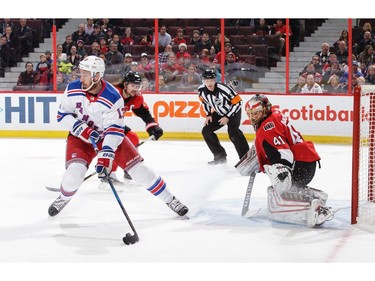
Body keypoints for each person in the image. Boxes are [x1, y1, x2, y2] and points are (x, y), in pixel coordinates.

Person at [48, 56, 188, 217]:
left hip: (108, 135)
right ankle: (63, 198)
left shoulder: (113, 96)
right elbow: (62, 115)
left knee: (141, 171)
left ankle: (171, 199)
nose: (81, 78)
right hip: (80, 138)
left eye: (85, 74)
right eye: (81, 73)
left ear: (97, 76)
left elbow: (114, 129)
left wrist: (106, 155)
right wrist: (83, 130)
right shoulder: (73, 88)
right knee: (74, 174)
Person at [241, 94, 334, 227]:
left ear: (265, 109)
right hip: (306, 161)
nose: (252, 117)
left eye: (256, 113)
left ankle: (314, 211)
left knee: (279, 182)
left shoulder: (267, 127)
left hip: (300, 165)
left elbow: (284, 155)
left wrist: (280, 174)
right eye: (250, 114)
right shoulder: (274, 115)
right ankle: (316, 197)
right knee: (281, 184)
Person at [198, 69, 249, 165]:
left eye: (212, 80)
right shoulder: (201, 90)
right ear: (203, 81)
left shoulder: (224, 89)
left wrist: (227, 117)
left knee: (233, 132)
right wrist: (208, 114)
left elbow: (238, 103)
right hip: (220, 112)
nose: (209, 83)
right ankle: (220, 157)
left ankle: (246, 157)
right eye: (207, 81)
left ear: (215, 80)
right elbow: (204, 101)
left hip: (233, 111)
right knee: (206, 131)